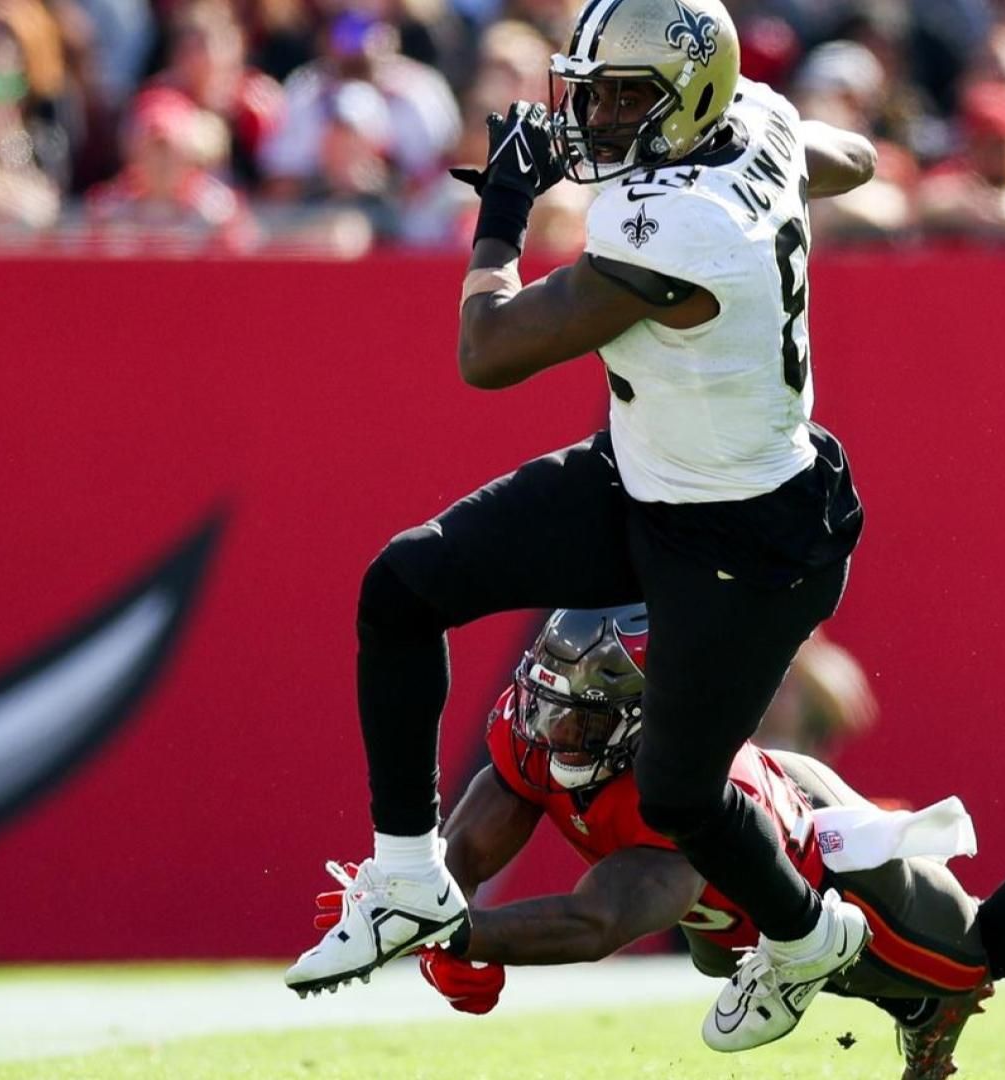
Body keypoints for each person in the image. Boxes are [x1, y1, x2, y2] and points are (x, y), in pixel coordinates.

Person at [283, 0, 889, 1053]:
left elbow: (489, 352)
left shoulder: (682, 227)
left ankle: (807, 935)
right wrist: (781, 166)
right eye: (595, 89)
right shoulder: (755, 122)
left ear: (688, 100)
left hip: (747, 539)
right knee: (404, 585)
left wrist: (504, 212)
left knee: (683, 797)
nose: (598, 117)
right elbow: (858, 159)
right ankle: (405, 877)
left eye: (624, 97)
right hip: (651, 475)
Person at [310, 606, 1005, 1080]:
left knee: (974, 956)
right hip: (740, 904)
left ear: (634, 726)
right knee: (745, 963)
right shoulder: (542, 734)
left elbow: (596, 918)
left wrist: (452, 940)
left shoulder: (680, 804)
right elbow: (465, 852)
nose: (543, 726)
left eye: (576, 715)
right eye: (545, 698)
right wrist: (414, 901)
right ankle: (926, 1028)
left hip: (825, 866)